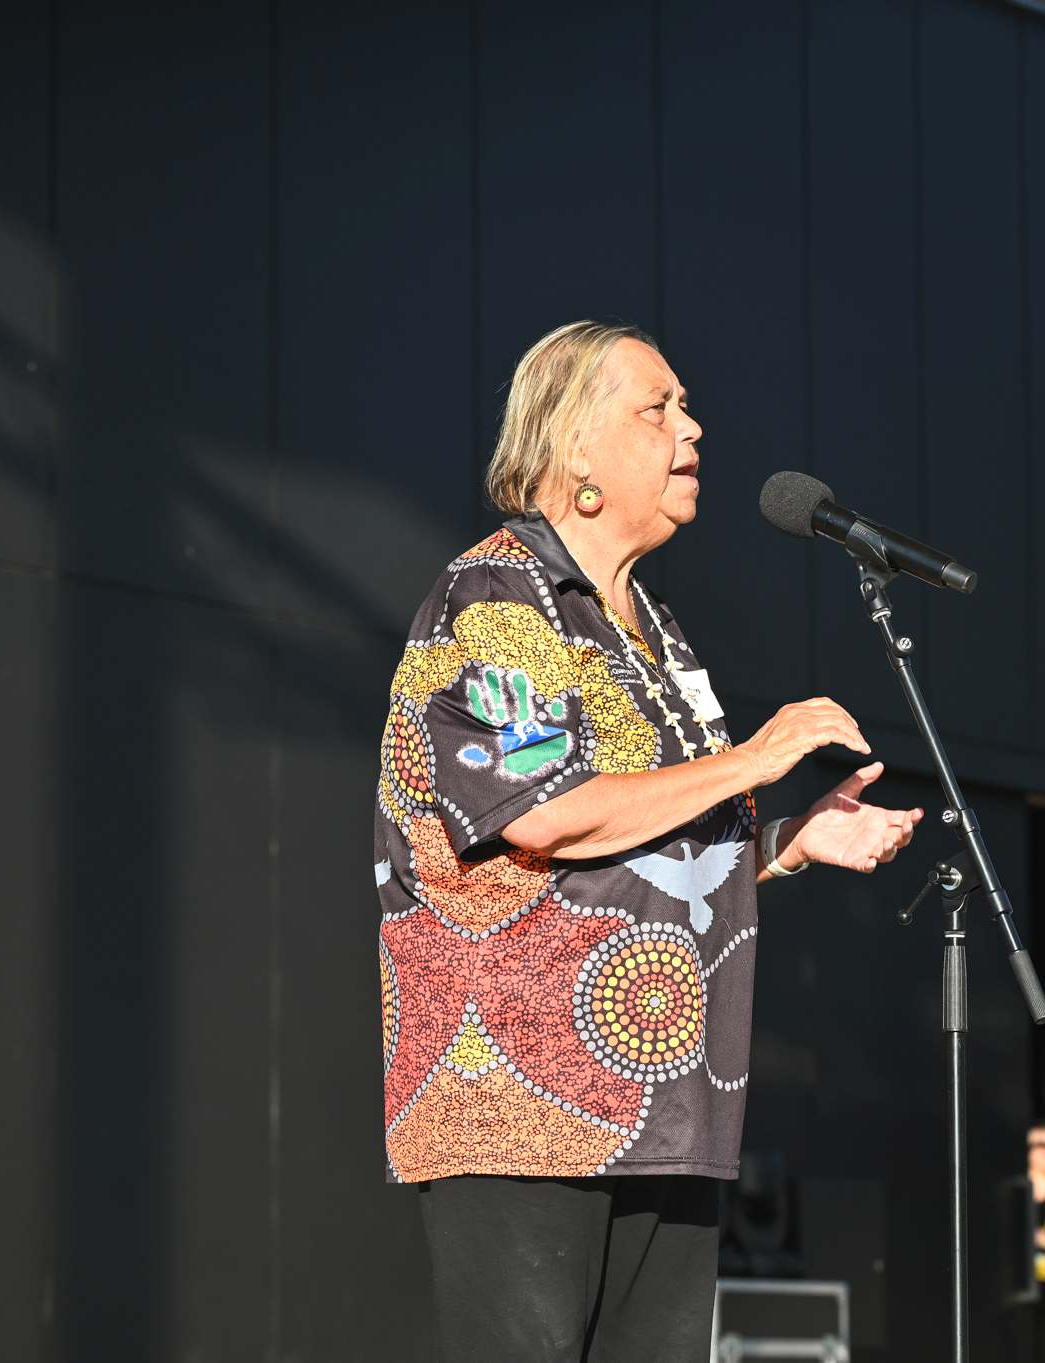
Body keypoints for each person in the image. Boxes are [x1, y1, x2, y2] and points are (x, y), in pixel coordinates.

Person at [374, 320, 921, 1360]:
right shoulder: (497, 598)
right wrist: (755, 759)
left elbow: (645, 837)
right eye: (657, 407)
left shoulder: (650, 630)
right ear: (573, 446)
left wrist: (787, 842)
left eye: (684, 406)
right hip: (521, 1108)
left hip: (666, 1107)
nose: (692, 426)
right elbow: (537, 810)